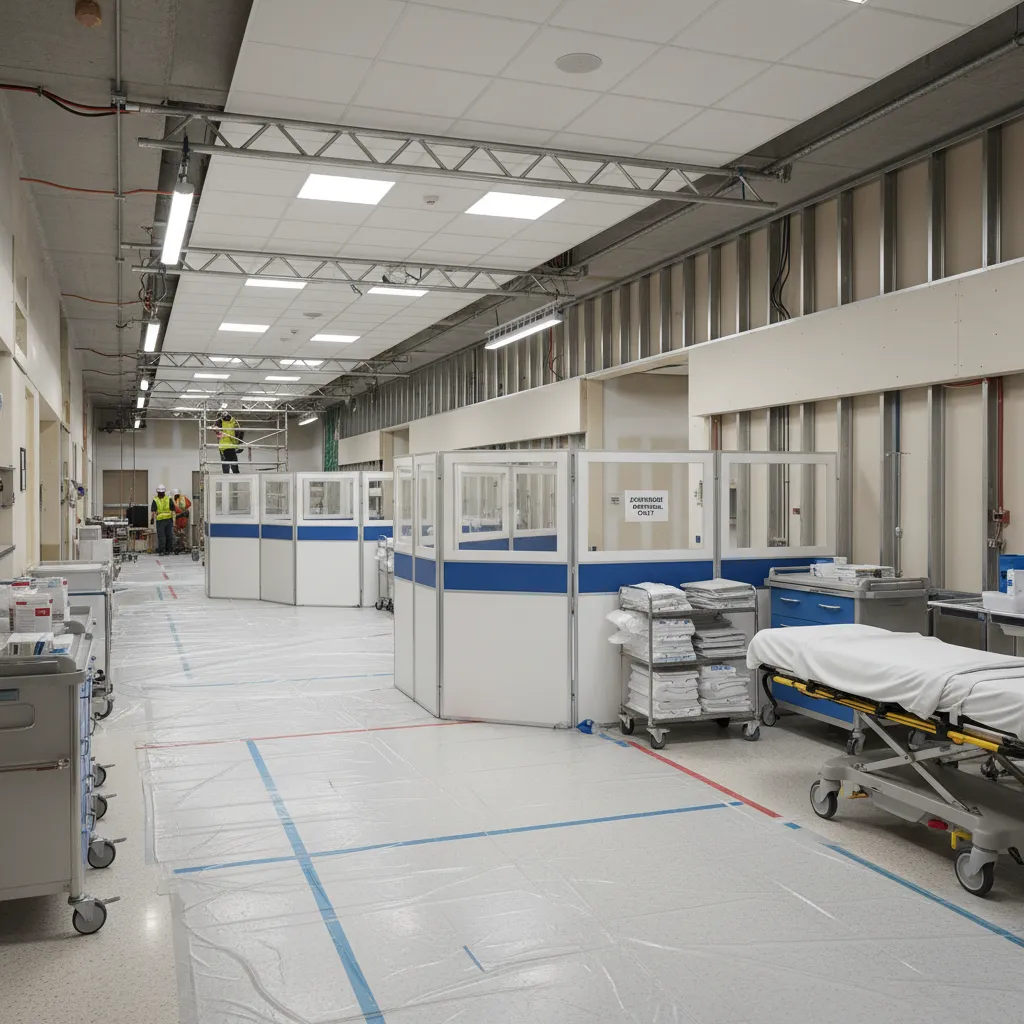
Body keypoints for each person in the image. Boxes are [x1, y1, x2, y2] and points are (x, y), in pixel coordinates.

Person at [151, 484, 174, 556]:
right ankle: (168, 550)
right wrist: (174, 519)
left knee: (162, 536)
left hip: (161, 520)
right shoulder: (168, 498)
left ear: (157, 492)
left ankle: (162, 551)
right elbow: (173, 509)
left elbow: (153, 511)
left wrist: (152, 518)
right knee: (168, 535)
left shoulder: (156, 499)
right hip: (168, 519)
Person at [172, 487, 192, 553]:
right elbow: (189, 504)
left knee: (180, 533)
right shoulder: (183, 498)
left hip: (180, 518)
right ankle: (183, 546)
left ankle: (182, 547)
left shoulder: (173, 499)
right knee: (181, 533)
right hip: (182, 518)